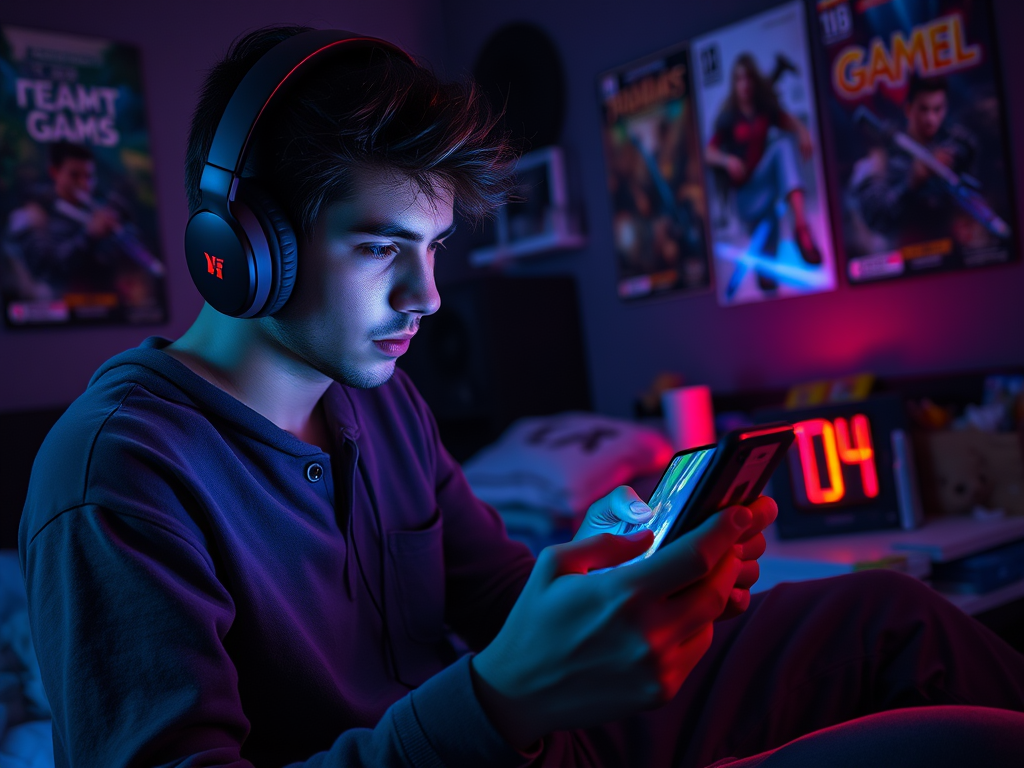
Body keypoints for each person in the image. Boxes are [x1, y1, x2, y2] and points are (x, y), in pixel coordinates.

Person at [18, 26, 1024, 768]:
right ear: (242, 250)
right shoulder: (117, 474)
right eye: (380, 250)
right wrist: (495, 703)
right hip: (496, 744)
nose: (428, 297)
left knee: (896, 617)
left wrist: (620, 567)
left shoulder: (384, 400)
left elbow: (502, 596)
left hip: (547, 737)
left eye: (435, 248)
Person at [704, 53, 822, 293]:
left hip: (767, 189)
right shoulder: (728, 119)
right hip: (745, 197)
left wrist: (803, 132)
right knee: (767, 267)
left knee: (782, 147)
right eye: (739, 79)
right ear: (734, 84)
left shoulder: (765, 112)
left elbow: (788, 121)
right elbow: (709, 152)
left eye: (748, 79)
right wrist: (727, 160)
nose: (744, 85)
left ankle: (801, 227)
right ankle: (766, 268)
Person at [853, 76, 978, 248]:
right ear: (909, 110)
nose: (931, 119)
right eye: (923, 110)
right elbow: (878, 219)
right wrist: (911, 183)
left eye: (937, 109)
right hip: (908, 255)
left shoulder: (955, 141)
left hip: (961, 250)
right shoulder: (881, 159)